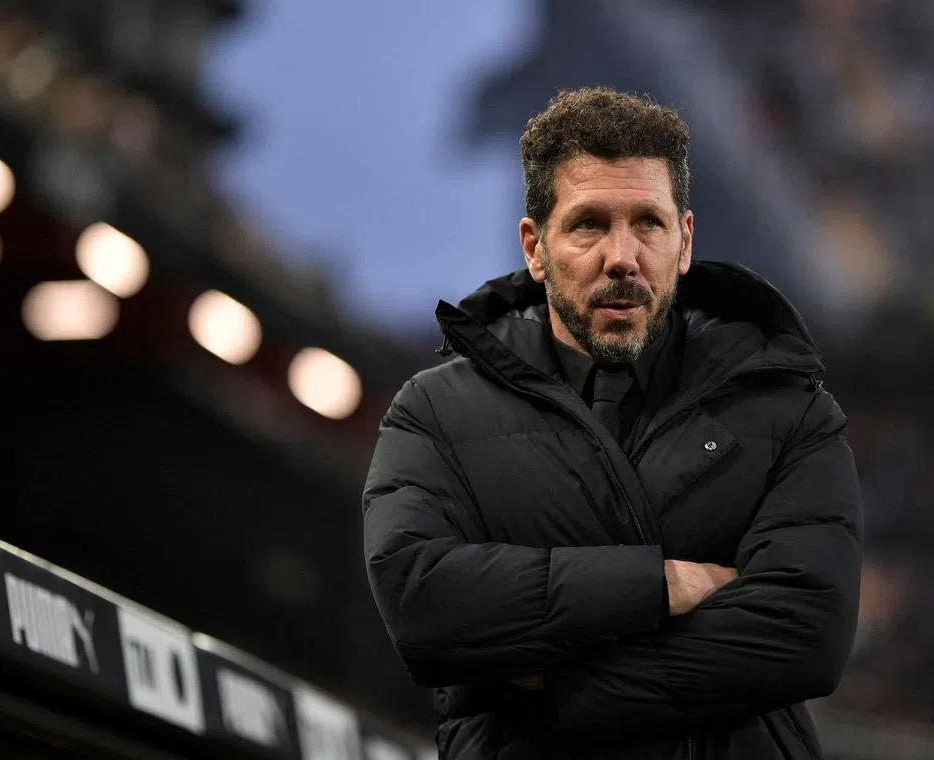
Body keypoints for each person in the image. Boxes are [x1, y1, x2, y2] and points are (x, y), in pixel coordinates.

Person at [363, 87, 862, 759]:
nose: (622, 257)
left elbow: (808, 636)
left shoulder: (792, 411)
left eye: (648, 224)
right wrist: (664, 586)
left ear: (684, 241)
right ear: (535, 248)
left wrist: (552, 690)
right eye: (590, 223)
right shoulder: (434, 414)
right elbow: (425, 607)